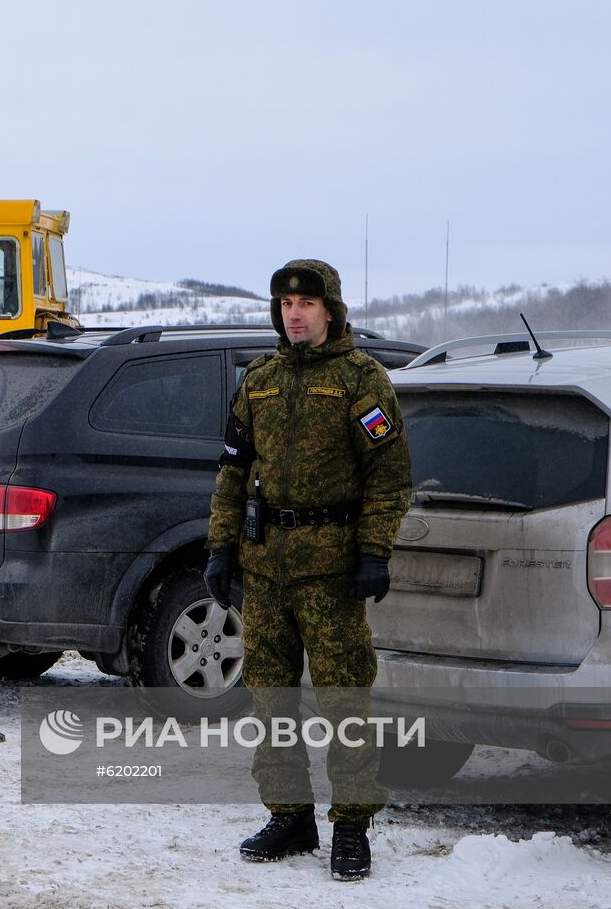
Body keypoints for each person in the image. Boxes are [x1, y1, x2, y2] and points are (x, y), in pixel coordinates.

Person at [204, 258, 411, 882]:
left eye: (307, 303)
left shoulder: (360, 379)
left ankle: (351, 824)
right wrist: (220, 547)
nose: (295, 312)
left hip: (332, 570)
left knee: (344, 698)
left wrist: (375, 552)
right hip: (266, 568)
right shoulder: (259, 380)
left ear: (330, 311)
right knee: (271, 697)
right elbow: (232, 472)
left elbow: (389, 475)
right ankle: (291, 815)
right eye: (286, 303)